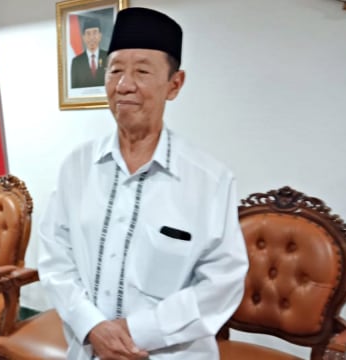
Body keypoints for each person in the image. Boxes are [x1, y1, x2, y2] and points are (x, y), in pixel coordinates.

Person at [38, 7, 249, 360]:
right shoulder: (75, 167)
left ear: (174, 85)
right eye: (115, 70)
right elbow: (56, 258)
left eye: (142, 71)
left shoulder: (209, 180)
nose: (124, 86)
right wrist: (93, 326)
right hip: (88, 349)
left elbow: (221, 283)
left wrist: (137, 332)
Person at [70, 17, 107, 88]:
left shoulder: (108, 57)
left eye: (95, 32)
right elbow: (74, 90)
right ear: (83, 37)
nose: (92, 37)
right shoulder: (76, 62)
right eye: (88, 33)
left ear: (100, 35)